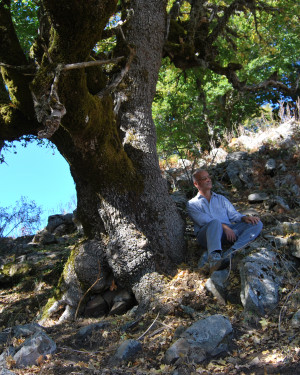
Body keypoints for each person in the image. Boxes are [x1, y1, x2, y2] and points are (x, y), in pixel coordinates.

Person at [187, 169, 263, 272]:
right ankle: (214, 259)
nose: (208, 180)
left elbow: (233, 215)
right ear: (196, 184)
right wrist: (224, 226)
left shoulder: (221, 199)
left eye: (209, 177)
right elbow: (205, 221)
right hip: (207, 236)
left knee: (257, 224)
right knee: (215, 223)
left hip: (228, 233)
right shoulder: (192, 204)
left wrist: (244, 217)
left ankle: (232, 252)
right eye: (204, 179)